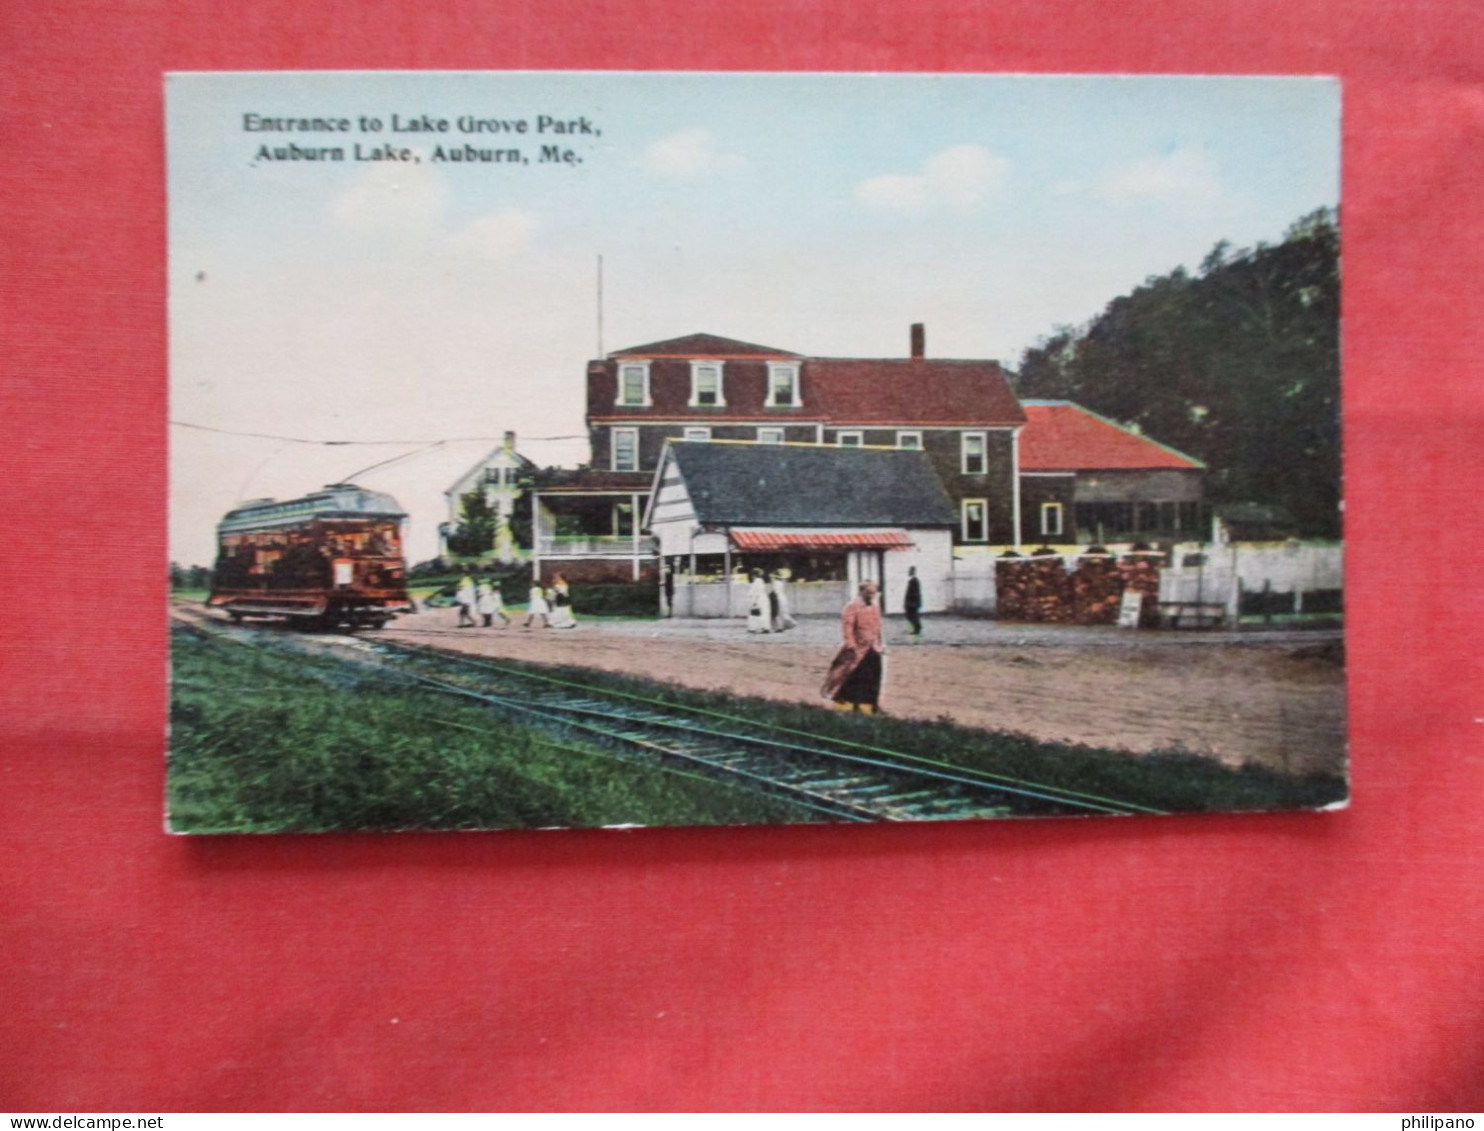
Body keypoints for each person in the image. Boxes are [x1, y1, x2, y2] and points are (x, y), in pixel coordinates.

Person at [821, 581, 886, 714]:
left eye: (873, 593)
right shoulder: (851, 606)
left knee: (873, 676)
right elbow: (848, 628)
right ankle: (847, 703)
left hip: (873, 648)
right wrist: (852, 646)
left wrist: (880, 644)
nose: (871, 596)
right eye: (869, 593)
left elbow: (878, 627)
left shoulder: (875, 606)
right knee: (852, 676)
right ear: (861, 592)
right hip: (857, 649)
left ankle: (870, 705)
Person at [746, 569, 771, 633]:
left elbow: (754, 593)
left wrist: (754, 602)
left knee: (754, 614)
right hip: (764, 598)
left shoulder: (756, 582)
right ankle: (765, 627)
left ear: (753, 575)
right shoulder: (761, 581)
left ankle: (752, 628)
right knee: (764, 614)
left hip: (758, 599)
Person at [903, 566, 923, 642]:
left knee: (913, 616)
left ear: (913, 572)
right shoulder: (912, 581)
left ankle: (917, 629)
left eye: (910, 571)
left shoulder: (914, 581)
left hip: (912, 603)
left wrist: (913, 603)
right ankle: (916, 628)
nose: (908, 572)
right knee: (910, 616)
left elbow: (915, 593)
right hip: (911, 603)